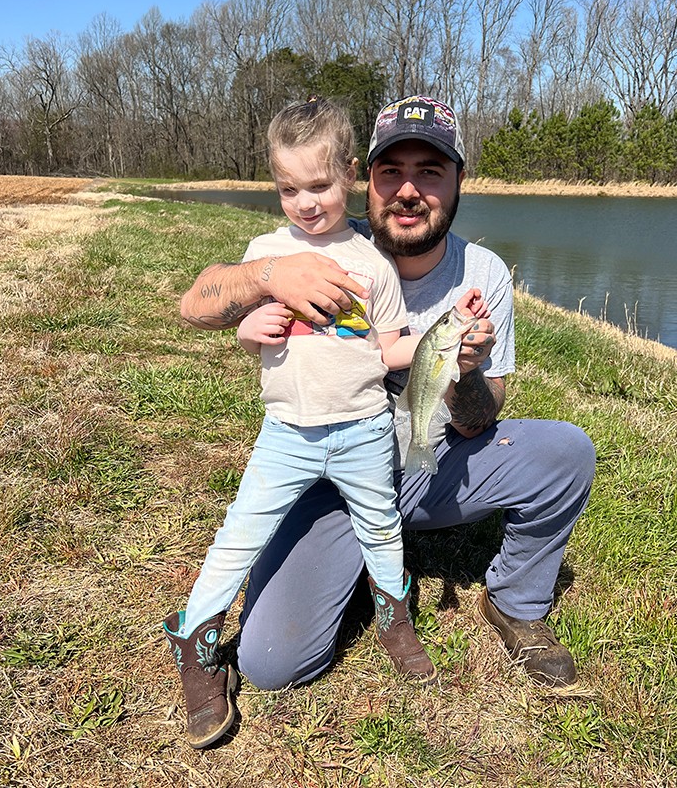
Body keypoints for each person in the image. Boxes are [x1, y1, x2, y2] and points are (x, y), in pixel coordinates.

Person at [179, 95, 596, 701]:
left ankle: (514, 603)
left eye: (430, 171)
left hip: (422, 456)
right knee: (271, 661)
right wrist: (270, 278)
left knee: (565, 451)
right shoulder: (298, 251)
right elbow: (196, 306)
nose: (408, 189)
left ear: (457, 183)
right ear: (366, 179)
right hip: (318, 463)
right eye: (392, 171)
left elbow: (479, 418)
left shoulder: (482, 273)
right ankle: (332, 565)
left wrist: (465, 369)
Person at [163, 97, 488, 749]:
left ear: (347, 174)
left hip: (366, 429)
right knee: (239, 536)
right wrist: (246, 332)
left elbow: (389, 349)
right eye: (288, 188)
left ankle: (395, 619)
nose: (305, 202)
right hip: (286, 433)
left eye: (317, 185)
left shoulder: (372, 264)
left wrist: (445, 339)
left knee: (379, 527)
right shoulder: (265, 251)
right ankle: (195, 643)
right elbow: (241, 330)